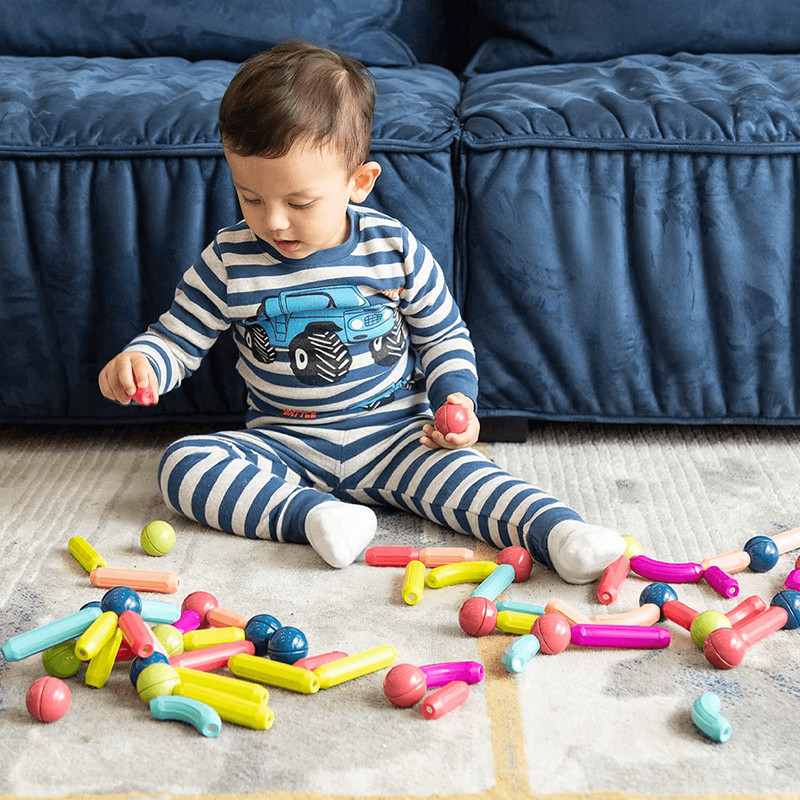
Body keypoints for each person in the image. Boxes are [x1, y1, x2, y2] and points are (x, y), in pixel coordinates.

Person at [98, 41, 625, 580]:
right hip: (283, 444)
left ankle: (560, 533)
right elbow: (178, 337)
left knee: (475, 477)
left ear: (359, 183)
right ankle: (314, 517)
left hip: (398, 436)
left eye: (299, 203)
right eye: (250, 198)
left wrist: (456, 400)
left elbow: (443, 335)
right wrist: (144, 362)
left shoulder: (393, 248)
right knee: (183, 465)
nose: (273, 221)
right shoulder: (230, 260)